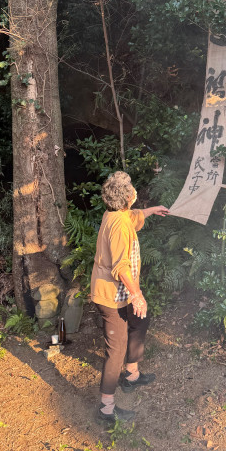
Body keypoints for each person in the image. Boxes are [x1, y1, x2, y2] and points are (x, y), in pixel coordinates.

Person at [90, 170, 169, 422]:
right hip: (111, 296)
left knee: (140, 320)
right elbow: (121, 267)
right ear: (126, 197)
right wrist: (137, 295)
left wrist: (153, 210)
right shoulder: (119, 225)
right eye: (131, 188)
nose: (134, 190)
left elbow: (133, 216)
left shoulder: (117, 213)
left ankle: (132, 375)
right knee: (116, 349)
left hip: (121, 292)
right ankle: (106, 408)